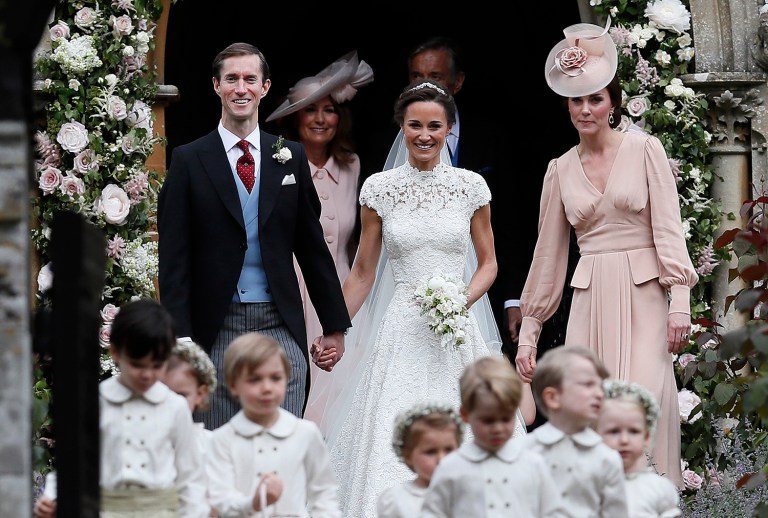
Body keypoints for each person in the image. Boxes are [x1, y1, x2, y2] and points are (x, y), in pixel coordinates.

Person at [319, 80, 527, 518]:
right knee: (392, 425)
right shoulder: (379, 190)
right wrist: (334, 328)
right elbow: (362, 272)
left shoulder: (471, 188)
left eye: (435, 125)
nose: (425, 135)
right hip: (401, 330)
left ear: (449, 129)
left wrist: (460, 299)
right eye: (415, 125)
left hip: (457, 327)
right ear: (402, 127)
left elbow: (489, 264)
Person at [515, 20, 698, 486]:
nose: (585, 109)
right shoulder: (559, 170)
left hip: (645, 298)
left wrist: (680, 303)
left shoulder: (645, 150)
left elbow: (669, 231)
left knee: (640, 401)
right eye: (576, 100)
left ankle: (652, 504)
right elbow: (548, 256)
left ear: (612, 102)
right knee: (589, 409)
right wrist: (530, 332)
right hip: (590, 299)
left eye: (595, 98)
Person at [158, 42, 351, 428]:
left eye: (250, 79)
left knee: (282, 442)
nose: (241, 88)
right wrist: (181, 338)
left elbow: (312, 248)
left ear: (265, 87)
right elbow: (174, 259)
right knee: (217, 447)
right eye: (232, 79)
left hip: (280, 322)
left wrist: (333, 326)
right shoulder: (189, 160)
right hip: (216, 326)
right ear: (216, 86)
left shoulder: (290, 155)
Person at [368, 37, 539, 355]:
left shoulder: (491, 139)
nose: (425, 84)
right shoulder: (384, 154)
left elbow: (511, 224)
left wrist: (512, 297)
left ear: (457, 82)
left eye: (435, 76)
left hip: (478, 295)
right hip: (404, 305)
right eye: (417, 76)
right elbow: (368, 261)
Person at [263, 51, 373, 425]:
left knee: (343, 387)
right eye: (311, 110)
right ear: (296, 117)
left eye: (329, 110)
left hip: (341, 291)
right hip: (289, 289)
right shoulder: (275, 162)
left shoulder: (353, 165)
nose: (321, 118)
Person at [206, 332, 341, 517]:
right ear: (233, 385)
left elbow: (324, 496)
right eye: (254, 379)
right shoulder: (222, 440)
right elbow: (219, 500)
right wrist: (252, 503)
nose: (267, 387)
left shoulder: (305, 434)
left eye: (275, 378)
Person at [422, 356, 565, 517]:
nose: (498, 428)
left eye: (506, 419)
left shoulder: (532, 463)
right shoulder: (451, 468)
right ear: (465, 415)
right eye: (488, 421)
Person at [523, 345, 628, 517]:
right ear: (552, 397)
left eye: (599, 385)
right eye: (587, 385)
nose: (599, 394)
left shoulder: (607, 458)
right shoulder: (526, 453)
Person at [596, 379, 682, 517]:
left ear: (646, 437)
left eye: (633, 431)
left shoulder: (658, 489)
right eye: (613, 431)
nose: (624, 440)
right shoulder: (587, 486)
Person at [376, 401, 463, 518]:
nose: (442, 459)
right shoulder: (397, 500)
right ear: (408, 457)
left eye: (449, 450)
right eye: (430, 452)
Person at [164, 339, 219, 517]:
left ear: (200, 394)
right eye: (164, 393)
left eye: (181, 395)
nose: (172, 403)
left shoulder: (212, 446)